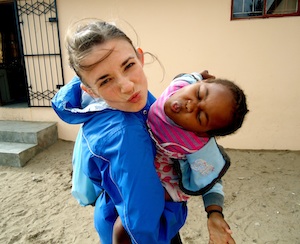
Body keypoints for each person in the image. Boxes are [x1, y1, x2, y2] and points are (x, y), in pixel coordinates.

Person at [51, 19, 235, 244]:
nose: (127, 86)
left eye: (128, 65)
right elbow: (140, 223)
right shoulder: (125, 136)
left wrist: (200, 81)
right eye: (106, 80)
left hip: (112, 210)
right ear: (91, 90)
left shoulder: (131, 100)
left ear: (140, 57)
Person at [113, 71, 248, 243]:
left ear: (201, 134)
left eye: (200, 116)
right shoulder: (182, 85)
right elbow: (190, 77)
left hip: (166, 181)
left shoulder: (196, 145)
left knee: (126, 224)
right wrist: (200, 75)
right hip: (142, 153)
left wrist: (214, 213)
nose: (190, 104)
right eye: (199, 93)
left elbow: (209, 180)